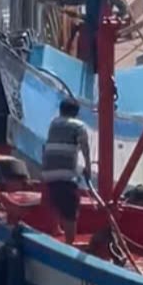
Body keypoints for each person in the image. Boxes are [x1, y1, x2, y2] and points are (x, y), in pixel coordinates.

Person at [42, 96, 92, 244]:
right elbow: (85, 148)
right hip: (66, 176)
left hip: (48, 172)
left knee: (56, 200)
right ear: (76, 112)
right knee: (70, 209)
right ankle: (69, 243)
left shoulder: (53, 124)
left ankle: (56, 229)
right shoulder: (79, 126)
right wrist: (87, 168)